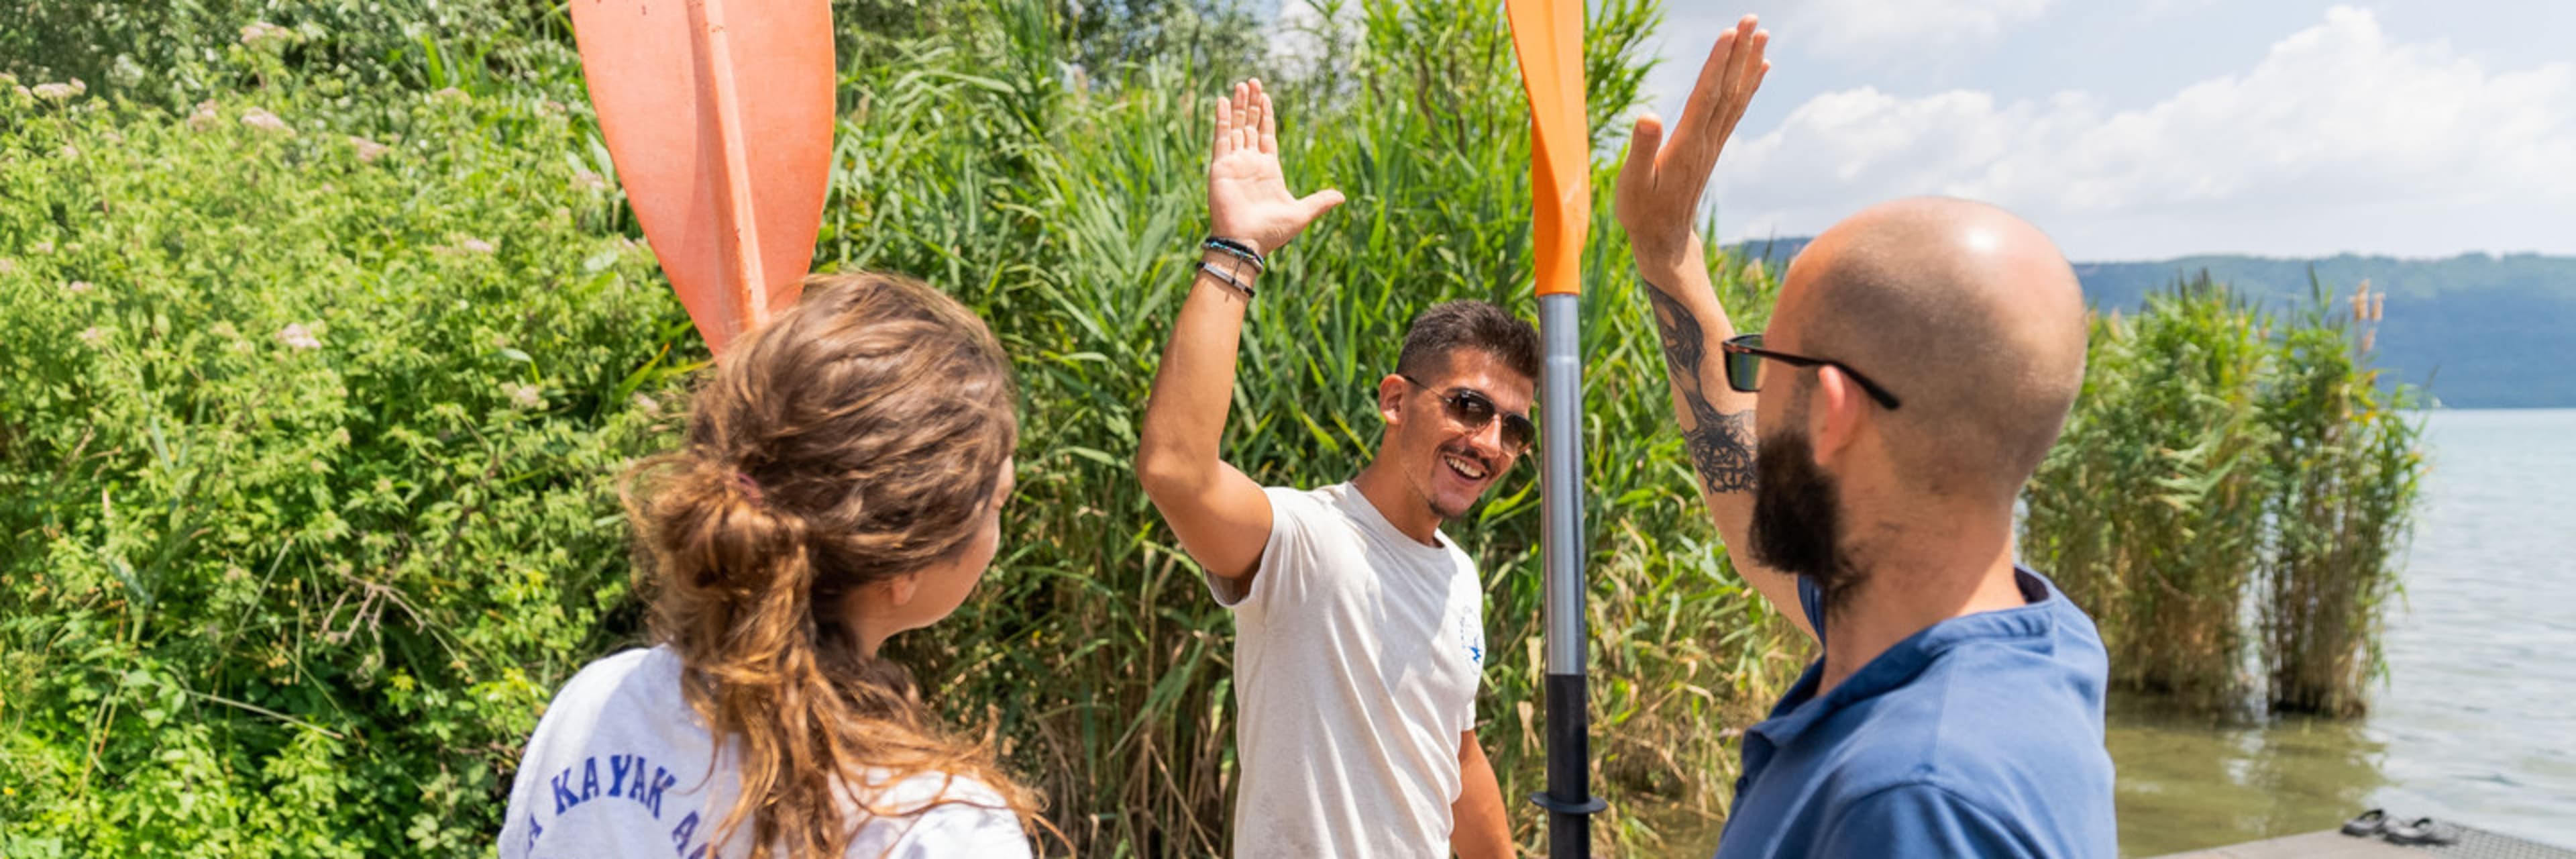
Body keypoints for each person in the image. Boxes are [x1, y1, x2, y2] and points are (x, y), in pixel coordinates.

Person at [1611, 15, 2118, 858]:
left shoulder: (1912, 798)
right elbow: (1750, 507)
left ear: (1833, 411)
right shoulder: (2032, 639)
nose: (1755, 395)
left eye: (1764, 363)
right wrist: (1667, 254)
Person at [499, 273, 1040, 859]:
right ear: (903, 565)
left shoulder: (596, 707)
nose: (998, 531)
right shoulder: (932, 825)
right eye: (998, 501)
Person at [1133, 79, 1522, 858]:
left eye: (1514, 428)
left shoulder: (1462, 577)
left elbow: (1454, 754)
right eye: (1469, 407)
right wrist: (1235, 252)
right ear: (1395, 401)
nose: (1490, 441)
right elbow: (1176, 468)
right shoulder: (1305, 539)